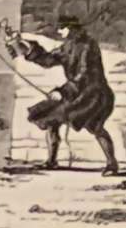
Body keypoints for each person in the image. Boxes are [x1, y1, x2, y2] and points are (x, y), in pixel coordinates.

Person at [18, 11, 118, 170]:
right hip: (76, 93)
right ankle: (51, 161)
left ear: (71, 29)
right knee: (50, 118)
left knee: (95, 127)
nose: (59, 32)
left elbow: (84, 75)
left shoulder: (88, 45)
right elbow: (49, 60)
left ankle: (112, 164)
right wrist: (29, 48)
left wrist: (62, 92)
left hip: (94, 95)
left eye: (62, 28)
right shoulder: (67, 46)